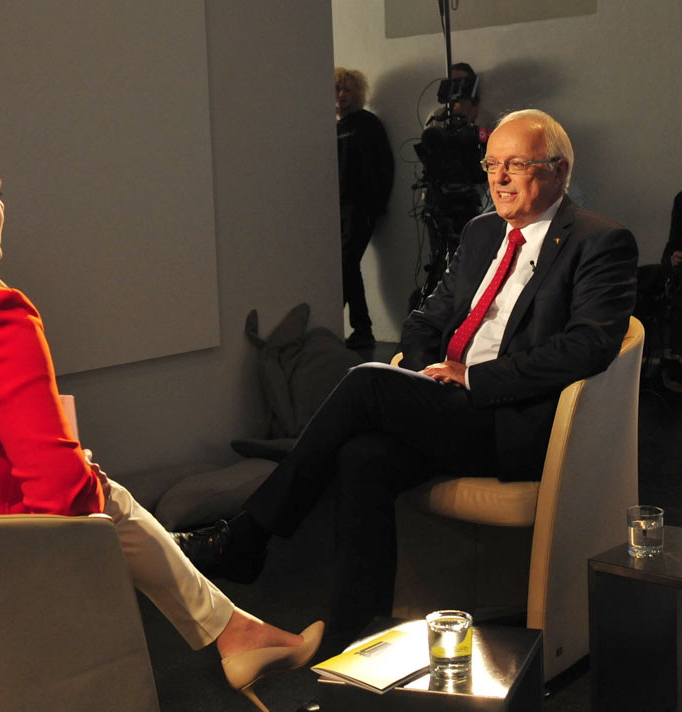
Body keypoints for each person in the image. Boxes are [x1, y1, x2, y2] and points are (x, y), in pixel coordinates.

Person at [0, 124, 321, 710]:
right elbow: (64, 496)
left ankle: (236, 630)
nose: (4, 208)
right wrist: (77, 475)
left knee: (98, 494)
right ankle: (234, 631)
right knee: (102, 499)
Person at [176, 110, 638, 641]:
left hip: (516, 420)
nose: (499, 178)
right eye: (491, 164)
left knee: (368, 380)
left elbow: (587, 347)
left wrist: (474, 379)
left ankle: (248, 534)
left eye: (516, 165)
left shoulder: (600, 241)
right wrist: (426, 378)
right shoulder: (482, 232)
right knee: (362, 455)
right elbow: (424, 321)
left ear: (558, 170)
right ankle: (356, 636)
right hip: (450, 406)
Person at [335, 67, 395, 350]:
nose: (342, 95)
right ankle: (362, 329)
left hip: (360, 207)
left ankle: (341, 325)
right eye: (337, 89)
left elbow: (384, 165)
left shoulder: (366, 123)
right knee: (347, 266)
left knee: (345, 264)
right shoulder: (325, 125)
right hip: (332, 209)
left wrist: (376, 205)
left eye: (347, 89)